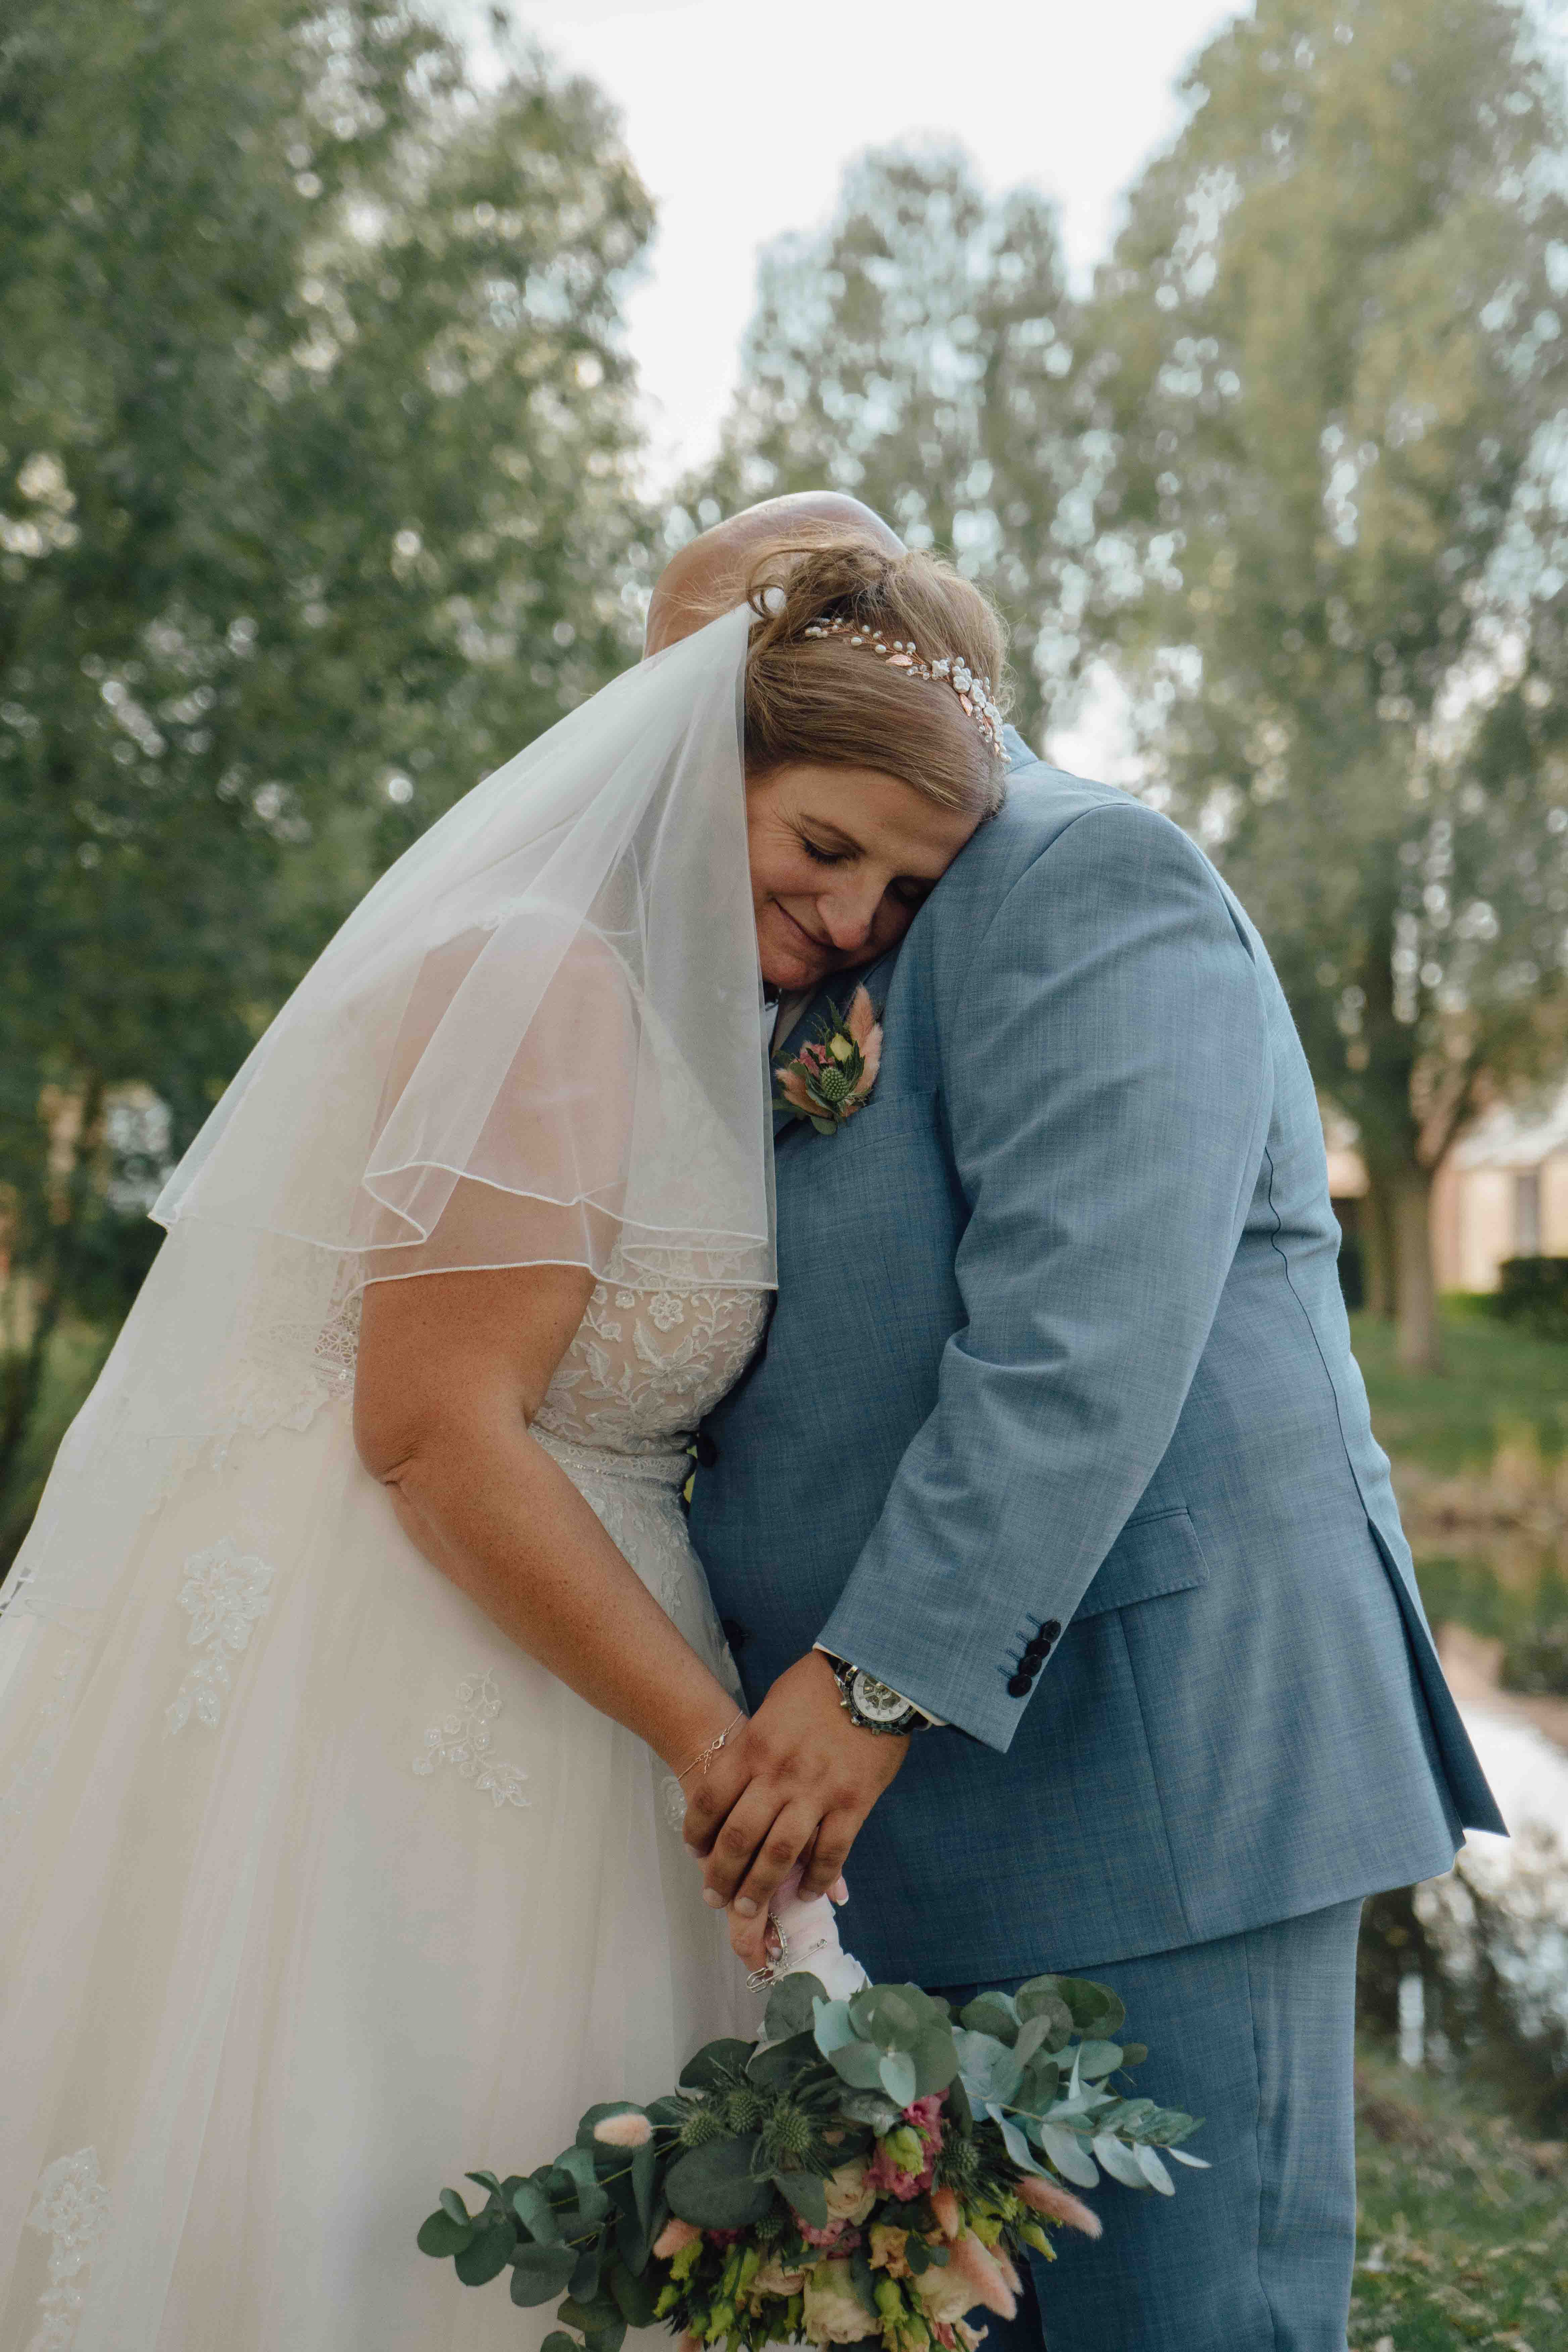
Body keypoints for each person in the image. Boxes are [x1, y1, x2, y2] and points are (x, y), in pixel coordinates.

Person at [0, 528, 1004, 2350]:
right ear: (709, 767)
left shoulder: (690, 1011)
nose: (857, 923)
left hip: (571, 1653)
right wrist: (723, 1758)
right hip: (402, 1654)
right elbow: (437, 1433)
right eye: (826, 848)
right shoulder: (542, 978)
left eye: (905, 892)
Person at [681, 501, 1507, 2350]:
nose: (850, 916)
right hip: (873, 1831)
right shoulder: (785, 940)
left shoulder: (1085, 874)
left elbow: (1084, 1336)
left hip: (1157, 1782)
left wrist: (874, 1681)